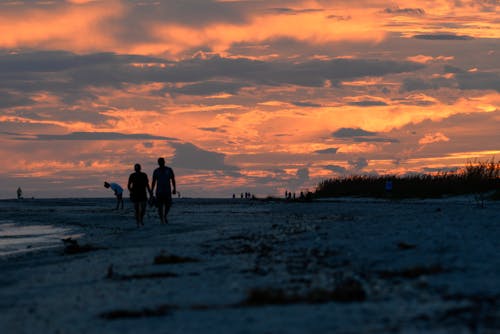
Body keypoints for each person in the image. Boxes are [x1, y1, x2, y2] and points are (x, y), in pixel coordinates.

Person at [151, 157, 176, 224]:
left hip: (167, 191)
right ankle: (162, 219)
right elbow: (153, 181)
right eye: (159, 162)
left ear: (164, 162)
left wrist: (174, 189)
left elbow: (173, 179)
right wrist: (151, 190)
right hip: (159, 191)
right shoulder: (156, 171)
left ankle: (165, 216)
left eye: (162, 161)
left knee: (168, 205)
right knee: (160, 206)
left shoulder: (169, 170)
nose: (161, 163)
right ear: (158, 163)